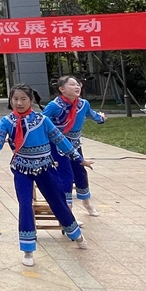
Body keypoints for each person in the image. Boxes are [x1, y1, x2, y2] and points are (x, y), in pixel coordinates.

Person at [0, 84, 89, 267]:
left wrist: (78, 158)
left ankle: (76, 234)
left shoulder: (42, 120)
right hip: (21, 169)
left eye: (23, 99)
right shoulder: (7, 121)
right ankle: (28, 249)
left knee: (57, 201)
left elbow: (59, 139)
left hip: (45, 167)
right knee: (25, 205)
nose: (19, 102)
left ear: (31, 100)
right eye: (15, 99)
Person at [42, 76, 106, 216]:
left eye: (78, 84)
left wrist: (101, 119)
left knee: (80, 172)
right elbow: (41, 121)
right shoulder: (54, 106)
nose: (77, 87)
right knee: (65, 175)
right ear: (62, 89)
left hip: (75, 143)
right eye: (72, 84)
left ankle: (86, 203)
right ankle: (68, 211)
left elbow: (92, 115)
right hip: (58, 145)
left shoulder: (83, 104)